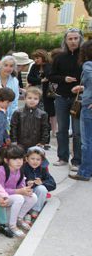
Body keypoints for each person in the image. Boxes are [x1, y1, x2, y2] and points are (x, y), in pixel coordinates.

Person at [50, 28, 84, 170]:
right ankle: (62, 157)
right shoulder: (59, 57)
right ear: (65, 40)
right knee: (62, 129)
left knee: (77, 131)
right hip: (61, 97)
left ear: (80, 39)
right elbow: (51, 76)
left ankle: (77, 160)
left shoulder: (86, 56)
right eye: (70, 39)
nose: (73, 41)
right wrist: (64, 79)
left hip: (79, 99)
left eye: (76, 38)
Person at [0, 145, 38, 237]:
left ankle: (19, 218)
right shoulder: (1, 171)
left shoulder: (19, 170)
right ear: (6, 160)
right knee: (19, 198)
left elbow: (21, 185)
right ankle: (12, 226)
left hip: (12, 195)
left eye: (20, 158)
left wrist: (26, 190)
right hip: (1, 197)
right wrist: (19, 191)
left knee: (33, 197)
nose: (19, 161)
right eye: (14, 159)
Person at [69, 39, 92, 181]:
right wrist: (84, 88)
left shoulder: (88, 64)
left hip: (88, 107)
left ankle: (84, 172)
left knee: (87, 142)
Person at [28, 49, 56, 142]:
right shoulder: (34, 67)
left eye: (37, 58)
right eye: (34, 58)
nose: (35, 60)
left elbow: (50, 77)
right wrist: (40, 80)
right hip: (36, 94)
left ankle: (45, 140)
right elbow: (29, 78)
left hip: (46, 96)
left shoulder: (49, 66)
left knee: (45, 118)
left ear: (43, 57)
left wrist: (43, 77)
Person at [23, 146, 56, 221]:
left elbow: (53, 184)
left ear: (41, 161)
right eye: (32, 159)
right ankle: (26, 212)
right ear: (27, 159)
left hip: (36, 193)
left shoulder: (42, 169)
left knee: (42, 188)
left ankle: (35, 210)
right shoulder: (23, 168)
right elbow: (16, 182)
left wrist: (42, 183)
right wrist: (26, 183)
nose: (35, 161)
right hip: (25, 192)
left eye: (38, 159)